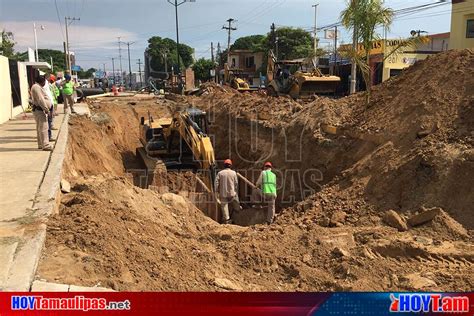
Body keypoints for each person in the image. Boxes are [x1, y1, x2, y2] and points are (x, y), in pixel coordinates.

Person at [214, 159, 240, 224]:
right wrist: (235, 191)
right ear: (230, 165)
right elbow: (236, 183)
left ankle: (227, 220)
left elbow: (216, 183)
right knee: (235, 205)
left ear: (224, 165)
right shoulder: (233, 173)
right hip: (232, 193)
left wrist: (216, 191)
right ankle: (237, 214)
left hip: (223, 193)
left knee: (224, 206)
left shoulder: (220, 173)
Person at [30, 75, 52, 151]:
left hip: (39, 110)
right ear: (42, 81)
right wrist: (46, 109)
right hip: (39, 110)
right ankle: (45, 145)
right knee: (44, 128)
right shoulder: (36, 87)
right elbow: (40, 99)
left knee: (40, 128)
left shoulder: (37, 87)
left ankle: (40, 144)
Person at [43, 74, 55, 141]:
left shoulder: (47, 84)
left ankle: (49, 136)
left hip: (50, 103)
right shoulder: (44, 84)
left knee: (49, 121)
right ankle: (48, 137)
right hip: (47, 105)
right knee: (48, 122)